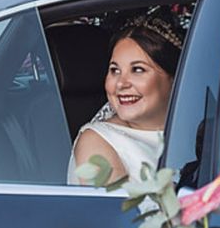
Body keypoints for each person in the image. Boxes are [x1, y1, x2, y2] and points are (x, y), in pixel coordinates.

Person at [67, 15, 183, 184]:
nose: (121, 83)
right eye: (114, 70)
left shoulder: (206, 130)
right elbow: (114, 211)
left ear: (174, 78)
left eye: (137, 69)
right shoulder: (97, 143)